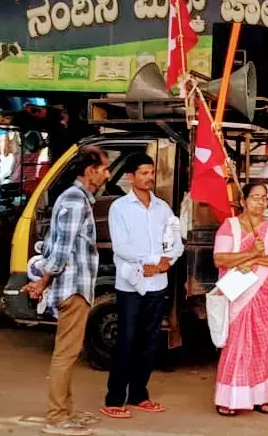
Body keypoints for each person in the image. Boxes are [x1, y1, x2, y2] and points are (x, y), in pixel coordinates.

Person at [22, 146, 109, 436]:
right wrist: (43, 282)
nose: (107, 174)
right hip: (73, 287)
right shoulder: (75, 201)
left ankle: (65, 411)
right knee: (65, 354)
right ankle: (57, 417)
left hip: (73, 285)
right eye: (104, 168)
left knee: (68, 353)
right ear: (90, 171)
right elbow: (60, 250)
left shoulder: (78, 198)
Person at [101, 154, 183, 419]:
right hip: (131, 285)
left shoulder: (163, 208)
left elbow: (175, 240)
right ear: (130, 177)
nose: (150, 177)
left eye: (151, 172)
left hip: (158, 283)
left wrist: (166, 261)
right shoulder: (120, 208)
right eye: (144, 172)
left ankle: (139, 395)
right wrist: (149, 261)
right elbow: (121, 246)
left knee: (150, 342)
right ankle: (114, 399)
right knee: (126, 340)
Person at [212, 182, 268, 417]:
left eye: (265, 198)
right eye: (255, 197)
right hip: (239, 296)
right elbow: (221, 259)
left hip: (265, 298)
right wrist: (252, 254)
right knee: (237, 345)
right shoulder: (231, 227)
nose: (261, 202)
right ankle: (229, 398)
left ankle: (260, 397)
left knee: (263, 345)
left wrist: (253, 261)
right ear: (244, 200)